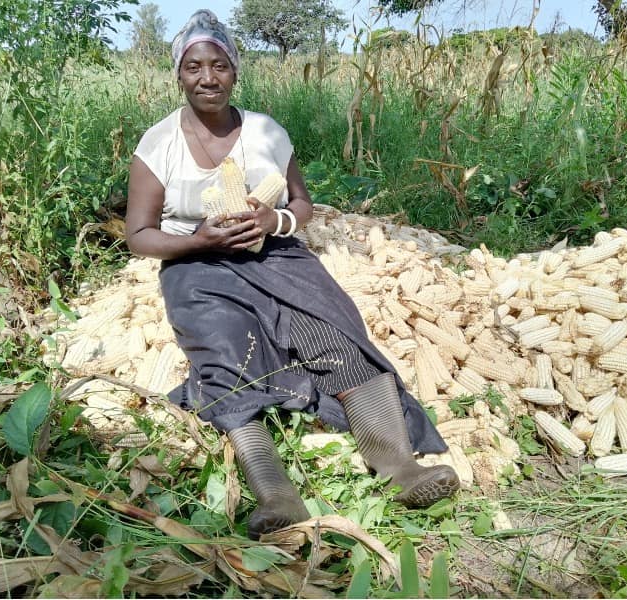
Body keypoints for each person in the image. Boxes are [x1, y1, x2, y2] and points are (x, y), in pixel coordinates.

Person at [125, 9, 459, 540]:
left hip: (274, 253)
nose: (207, 78)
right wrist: (199, 239)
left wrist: (273, 218)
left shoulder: (265, 132)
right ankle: (276, 493)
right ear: (178, 74)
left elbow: (302, 203)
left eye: (219, 65)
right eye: (194, 67)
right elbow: (139, 234)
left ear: (235, 70)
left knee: (336, 333)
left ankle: (399, 465)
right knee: (224, 356)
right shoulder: (158, 143)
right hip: (196, 264)